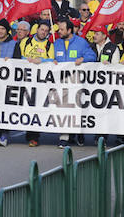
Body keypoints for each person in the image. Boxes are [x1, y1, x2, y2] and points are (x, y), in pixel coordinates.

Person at [53, 18, 96, 148]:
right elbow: (50, 57)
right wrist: (51, 61)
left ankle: (78, 134)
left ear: (69, 30)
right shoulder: (57, 43)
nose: (59, 32)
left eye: (61, 29)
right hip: (61, 83)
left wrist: (83, 58)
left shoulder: (81, 43)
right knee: (63, 109)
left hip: (77, 82)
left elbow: (92, 56)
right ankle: (64, 137)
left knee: (77, 109)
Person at [19, 19, 54, 147]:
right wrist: (27, 59)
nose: (43, 32)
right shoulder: (26, 42)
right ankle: (29, 133)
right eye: (41, 29)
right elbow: (18, 57)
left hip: (40, 82)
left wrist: (41, 61)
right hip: (25, 79)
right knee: (26, 106)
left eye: (46, 31)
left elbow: (52, 60)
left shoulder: (49, 45)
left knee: (36, 107)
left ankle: (34, 136)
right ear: (37, 30)